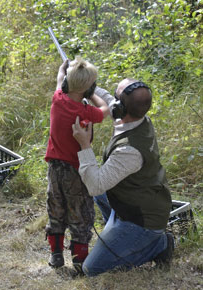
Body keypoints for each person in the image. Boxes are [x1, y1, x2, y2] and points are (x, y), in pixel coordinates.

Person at [72, 78, 174, 276]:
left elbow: (95, 185)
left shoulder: (129, 150)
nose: (112, 100)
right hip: (139, 201)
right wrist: (88, 87)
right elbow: (108, 99)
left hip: (142, 221)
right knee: (103, 193)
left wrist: (84, 145)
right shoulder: (138, 119)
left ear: (121, 109)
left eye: (116, 97)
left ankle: (159, 245)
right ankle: (118, 234)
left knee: (92, 269)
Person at [44, 56, 109, 272]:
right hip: (76, 170)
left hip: (54, 168)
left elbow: (60, 78)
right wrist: (93, 95)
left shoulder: (57, 98)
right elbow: (105, 110)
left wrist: (64, 67)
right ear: (87, 88)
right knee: (80, 212)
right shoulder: (86, 111)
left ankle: (56, 254)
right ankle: (79, 259)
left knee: (56, 207)